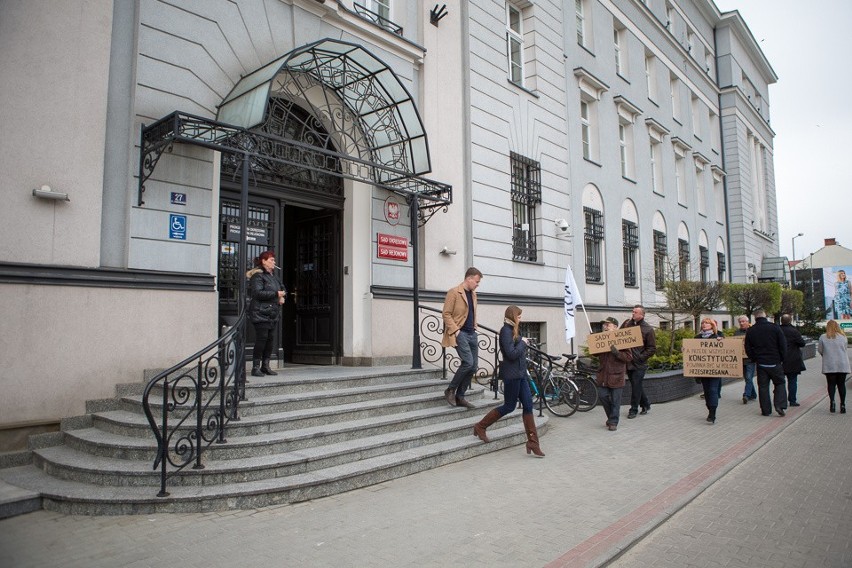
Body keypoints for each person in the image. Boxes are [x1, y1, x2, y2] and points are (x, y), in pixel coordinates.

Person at [473, 306, 544, 456]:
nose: (521, 319)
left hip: (521, 374)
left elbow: (515, 345)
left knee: (528, 405)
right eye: (519, 316)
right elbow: (511, 354)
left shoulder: (513, 330)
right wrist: (523, 343)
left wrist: (522, 340)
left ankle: (533, 442)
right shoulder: (505, 331)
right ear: (512, 316)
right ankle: (480, 426)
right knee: (509, 406)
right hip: (512, 375)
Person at [441, 267, 483, 409]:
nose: (477, 284)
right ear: (469, 278)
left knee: (473, 367)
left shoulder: (473, 294)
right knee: (468, 363)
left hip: (472, 334)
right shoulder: (454, 292)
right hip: (461, 334)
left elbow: (471, 312)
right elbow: (446, 314)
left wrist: (475, 326)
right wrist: (456, 331)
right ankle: (450, 389)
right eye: (476, 281)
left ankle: (460, 396)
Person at [246, 250, 286, 377]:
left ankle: (265, 366)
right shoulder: (257, 276)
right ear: (264, 261)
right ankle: (255, 367)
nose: (274, 262)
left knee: (270, 340)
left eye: (274, 260)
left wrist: (282, 296)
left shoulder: (274, 277)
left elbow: (283, 288)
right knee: (261, 340)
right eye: (271, 260)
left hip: (272, 313)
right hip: (260, 312)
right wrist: (276, 294)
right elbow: (257, 293)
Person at [744, 309, 787, 417]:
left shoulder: (751, 330)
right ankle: (779, 405)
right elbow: (783, 345)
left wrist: (754, 358)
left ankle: (766, 410)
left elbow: (748, 347)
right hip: (775, 361)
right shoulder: (775, 328)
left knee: (763, 387)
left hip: (761, 363)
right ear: (765, 316)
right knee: (780, 383)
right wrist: (781, 358)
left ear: (755, 317)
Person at [595, 317, 633, 431]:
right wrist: (594, 343)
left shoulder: (622, 339)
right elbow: (595, 355)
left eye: (608, 325)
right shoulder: (602, 338)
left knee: (616, 400)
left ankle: (613, 422)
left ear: (615, 327)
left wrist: (617, 353)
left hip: (616, 375)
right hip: (603, 375)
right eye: (604, 325)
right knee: (603, 396)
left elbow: (628, 357)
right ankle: (611, 417)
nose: (605, 327)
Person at [621, 305, 657, 419]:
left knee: (636, 386)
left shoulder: (648, 329)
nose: (633, 313)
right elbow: (618, 336)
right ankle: (646, 404)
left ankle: (633, 409)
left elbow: (651, 348)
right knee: (636, 385)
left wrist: (640, 357)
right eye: (632, 311)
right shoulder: (627, 324)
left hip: (640, 364)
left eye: (635, 312)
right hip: (629, 362)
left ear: (642, 315)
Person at [695, 318, 724, 424]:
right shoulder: (697, 338)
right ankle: (710, 409)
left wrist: (721, 342)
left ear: (712, 325)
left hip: (715, 370)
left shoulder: (717, 337)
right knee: (707, 392)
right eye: (702, 323)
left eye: (706, 323)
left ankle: (712, 414)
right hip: (702, 370)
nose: (704, 324)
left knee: (712, 390)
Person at [817, 320, 850, 414]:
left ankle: (832, 402)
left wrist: (826, 355)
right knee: (841, 385)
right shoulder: (843, 337)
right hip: (842, 364)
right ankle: (843, 404)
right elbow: (845, 348)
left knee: (831, 384)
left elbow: (820, 350)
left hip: (829, 364)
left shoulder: (823, 337)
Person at [780, 314, 806, 406]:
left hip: (780, 360)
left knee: (780, 382)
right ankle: (792, 400)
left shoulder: (778, 330)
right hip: (793, 359)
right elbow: (802, 343)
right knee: (792, 381)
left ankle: (781, 400)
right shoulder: (794, 331)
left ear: (781, 321)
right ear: (790, 321)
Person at [733, 316, 757, 404]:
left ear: (748, 322)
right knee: (747, 378)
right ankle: (753, 394)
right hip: (741, 359)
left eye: (743, 321)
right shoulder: (737, 333)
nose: (742, 323)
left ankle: (746, 395)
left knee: (748, 377)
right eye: (740, 322)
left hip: (750, 359)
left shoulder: (753, 331)